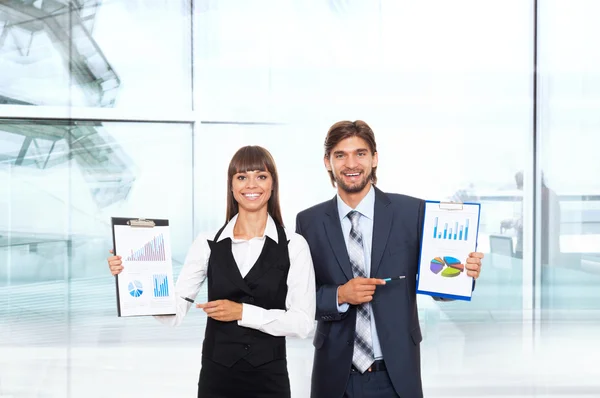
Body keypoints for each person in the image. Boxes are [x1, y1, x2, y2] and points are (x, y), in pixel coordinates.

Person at [108, 145, 316, 398]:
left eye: (261, 176)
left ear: (273, 184)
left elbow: (303, 323)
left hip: (269, 380)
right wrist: (132, 273)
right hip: (218, 379)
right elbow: (174, 314)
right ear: (231, 186)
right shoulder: (207, 243)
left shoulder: (294, 245)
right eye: (242, 177)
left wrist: (242, 312)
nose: (252, 185)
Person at [295, 120, 484, 398]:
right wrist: (340, 295)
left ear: (374, 159)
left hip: (395, 374)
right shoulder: (309, 222)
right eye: (340, 155)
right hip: (335, 375)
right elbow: (300, 300)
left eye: (360, 153)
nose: (351, 163)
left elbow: (441, 289)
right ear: (327, 162)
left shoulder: (412, 212)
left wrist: (463, 273)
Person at [501, 171, 561, 264]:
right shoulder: (550, 194)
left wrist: (511, 222)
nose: (519, 188)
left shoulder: (534, 196)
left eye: (520, 185)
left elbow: (526, 224)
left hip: (531, 250)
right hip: (548, 250)